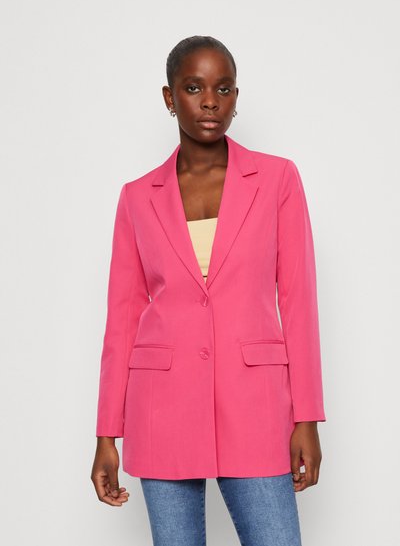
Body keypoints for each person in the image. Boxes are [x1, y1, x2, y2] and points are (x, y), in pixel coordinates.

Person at [91, 35, 326, 546]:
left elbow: (299, 302)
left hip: (256, 407)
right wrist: (106, 432)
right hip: (161, 410)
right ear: (169, 97)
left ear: (236, 97)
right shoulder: (137, 197)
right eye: (194, 87)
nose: (211, 102)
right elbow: (122, 318)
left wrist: (307, 417)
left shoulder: (277, 179)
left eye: (224, 88)